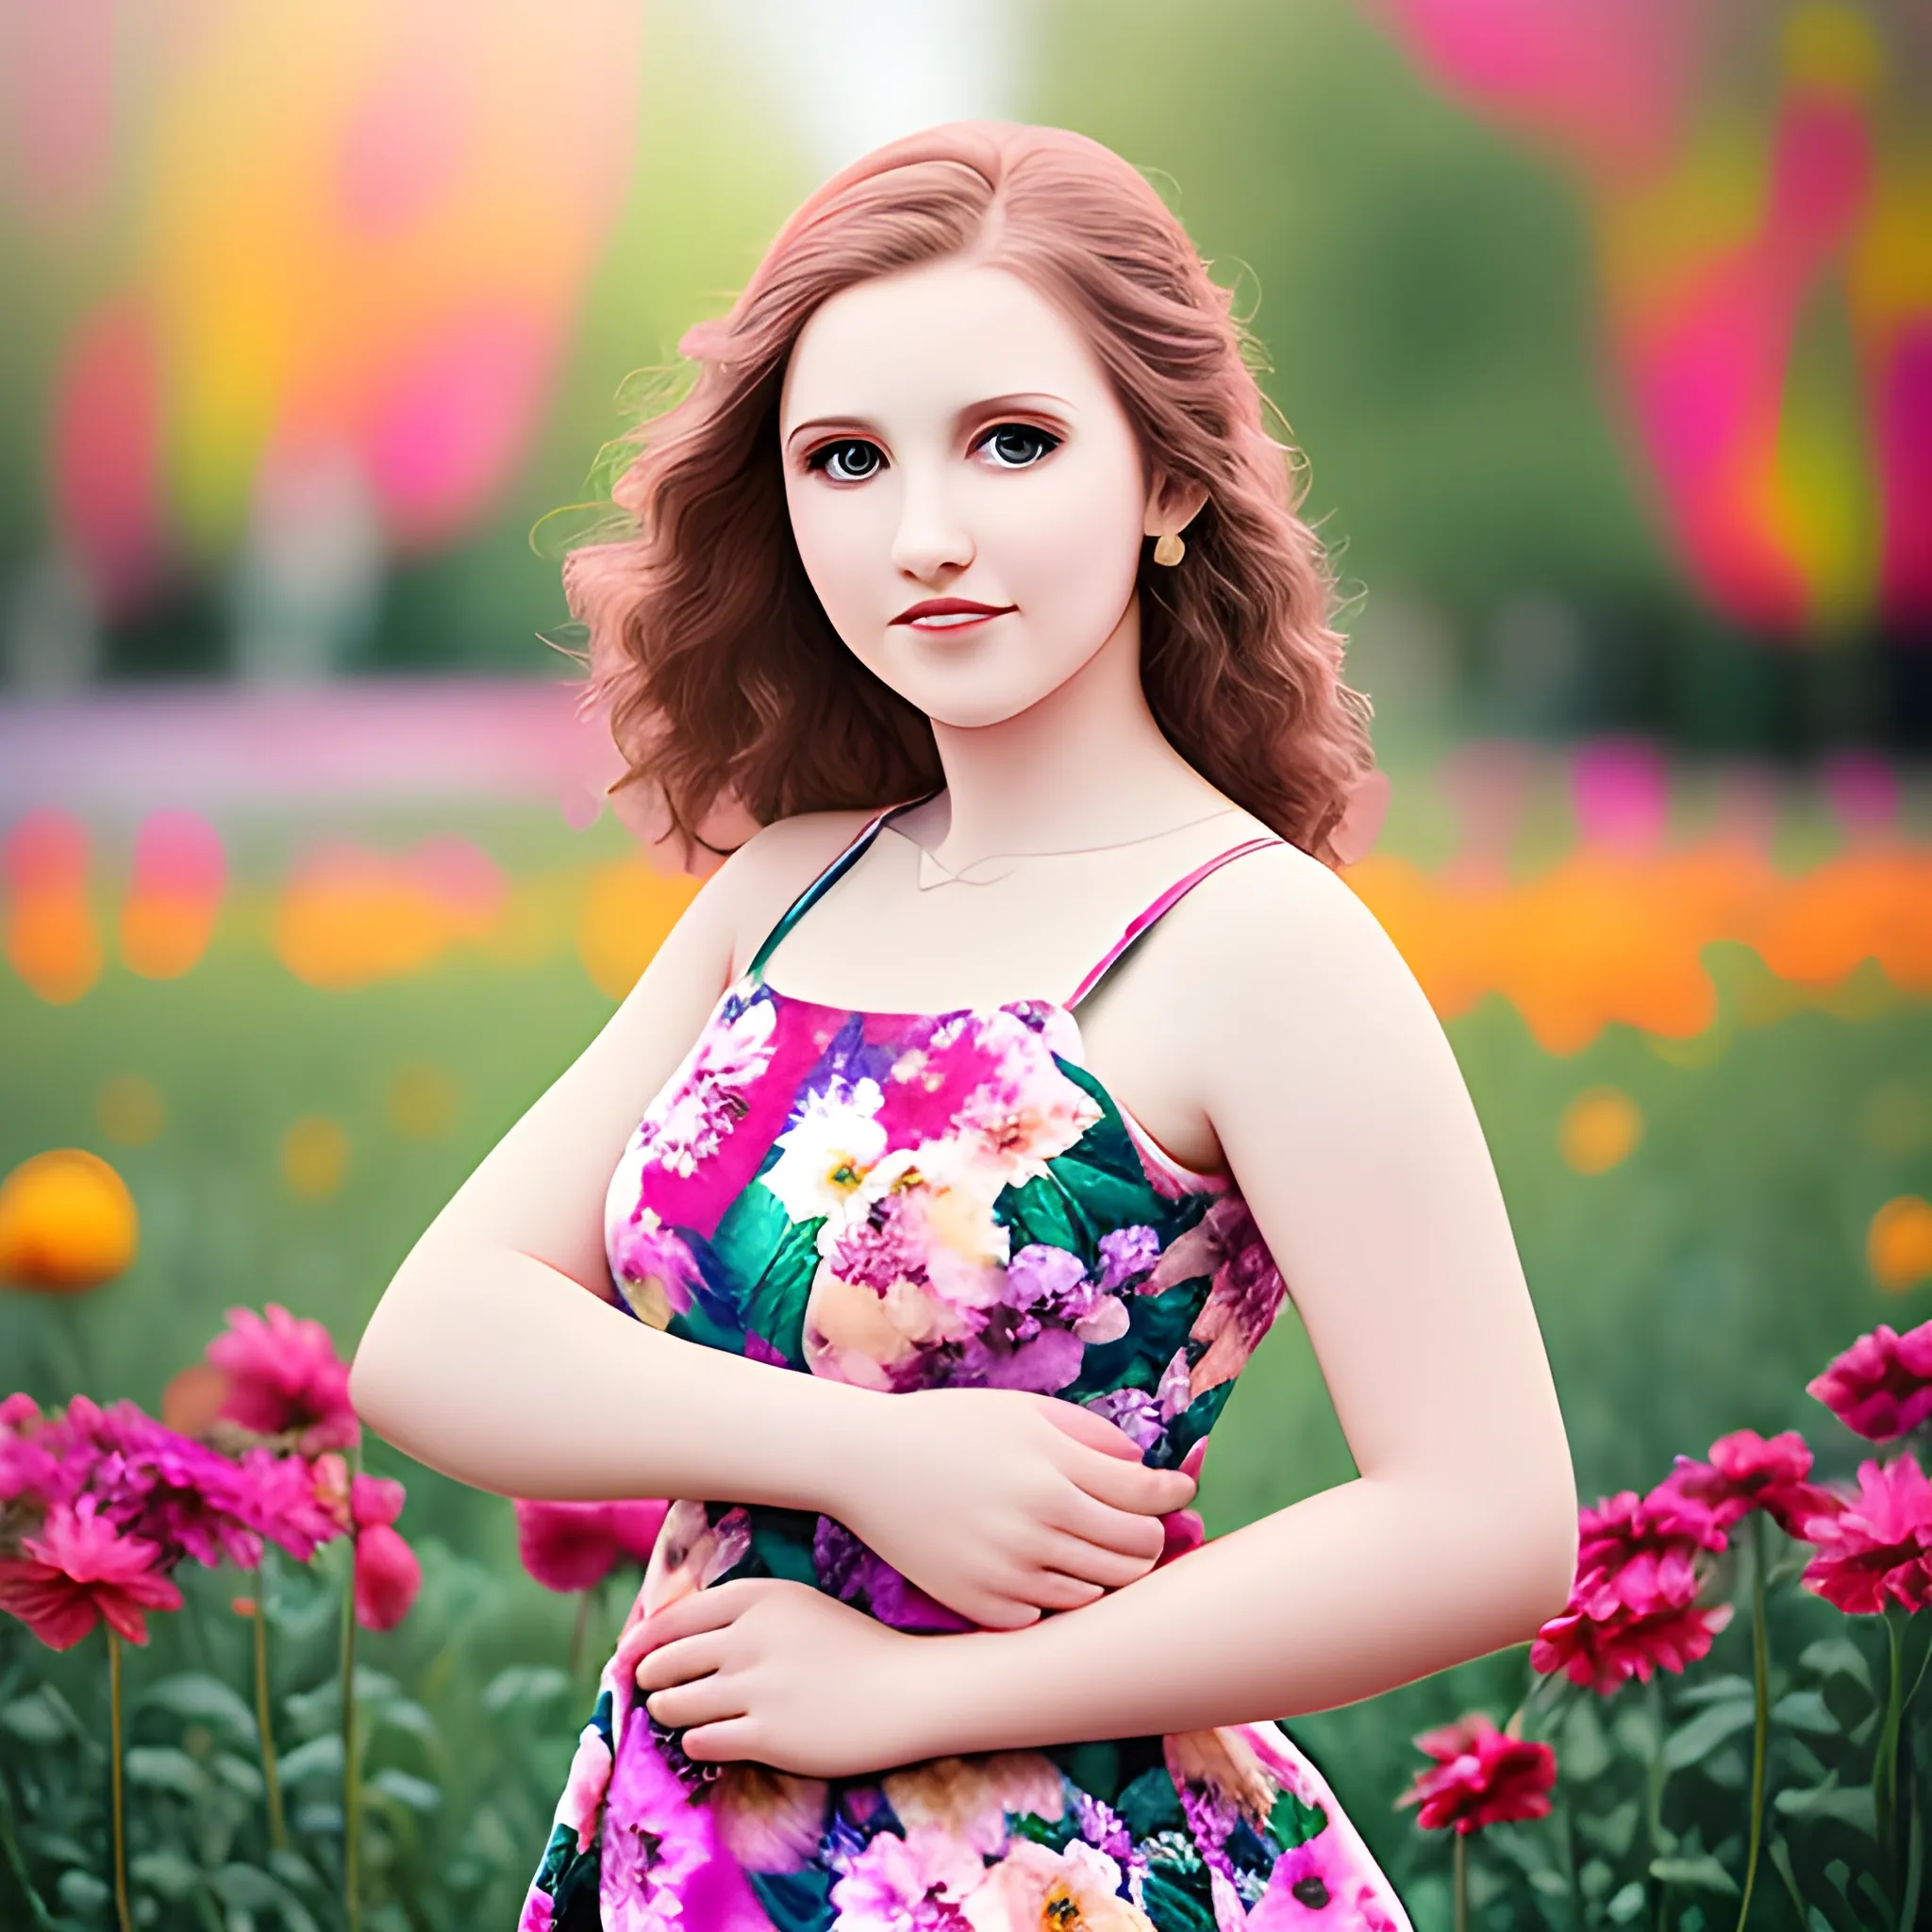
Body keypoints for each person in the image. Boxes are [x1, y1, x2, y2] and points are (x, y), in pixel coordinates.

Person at [349, 121, 1577, 1932]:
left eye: (1013, 442)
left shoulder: (1254, 942)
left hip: (1044, 1866)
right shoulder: (788, 892)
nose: (924, 535)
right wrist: (861, 1454)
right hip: (689, 1847)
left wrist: (920, 1695)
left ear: (1167, 482)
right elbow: (432, 1343)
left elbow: (1489, 1523)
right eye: (845, 460)